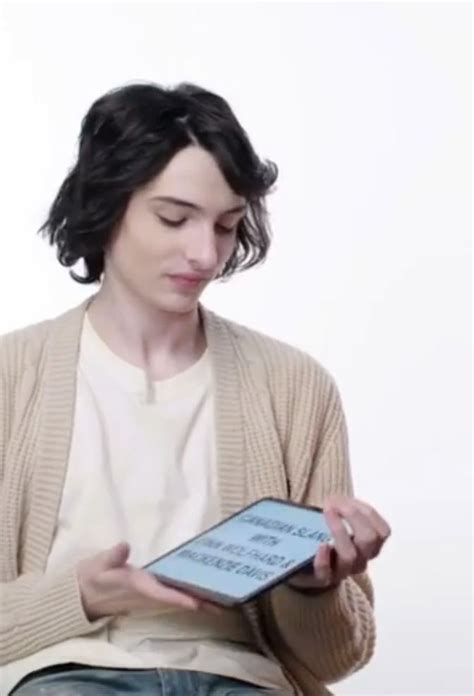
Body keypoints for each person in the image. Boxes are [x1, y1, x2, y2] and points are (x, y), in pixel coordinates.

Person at [0, 82, 391, 696]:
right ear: (106, 206)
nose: (205, 253)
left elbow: (337, 659)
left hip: (241, 677)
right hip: (64, 674)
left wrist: (314, 586)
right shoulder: (11, 377)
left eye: (228, 225)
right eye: (174, 218)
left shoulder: (295, 387)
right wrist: (78, 595)